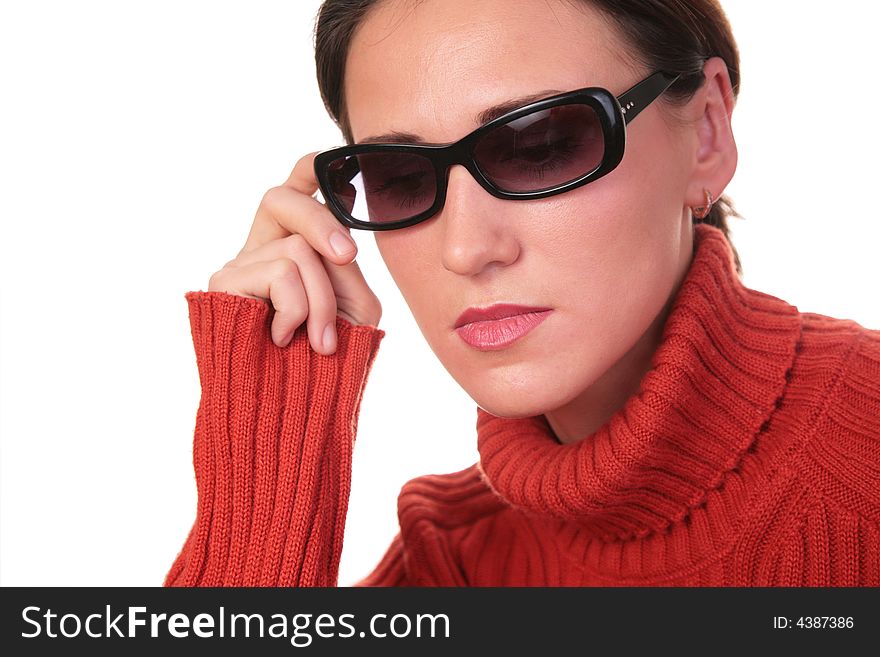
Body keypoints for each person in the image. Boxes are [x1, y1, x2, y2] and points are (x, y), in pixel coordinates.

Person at [164, 0, 880, 587]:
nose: (468, 249)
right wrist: (263, 466)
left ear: (707, 136)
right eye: (401, 176)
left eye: (540, 145)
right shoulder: (455, 563)